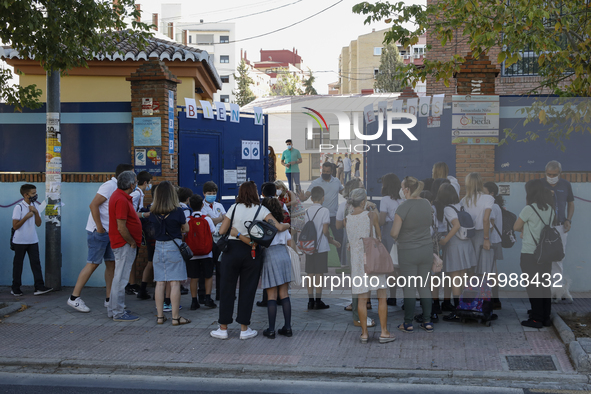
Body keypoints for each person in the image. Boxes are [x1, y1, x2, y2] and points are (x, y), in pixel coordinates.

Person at [210, 181, 289, 340]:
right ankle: (244, 329)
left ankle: (223, 328)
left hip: (231, 251)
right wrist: (287, 225)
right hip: (252, 252)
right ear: (255, 193)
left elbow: (222, 230)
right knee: (248, 289)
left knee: (227, 289)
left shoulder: (233, 208)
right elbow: (278, 228)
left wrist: (236, 230)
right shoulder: (262, 209)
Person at [68, 163, 133, 313]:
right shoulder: (109, 186)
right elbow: (93, 205)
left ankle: (109, 299)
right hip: (99, 232)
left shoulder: (119, 188)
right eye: (132, 175)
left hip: (110, 232)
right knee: (93, 263)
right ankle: (74, 297)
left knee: (111, 264)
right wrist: (99, 227)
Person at [346, 188, 395, 344]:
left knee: (361, 299)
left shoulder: (348, 218)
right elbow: (378, 237)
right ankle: (384, 332)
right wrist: (372, 207)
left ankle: (364, 333)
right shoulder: (371, 215)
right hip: (373, 261)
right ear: (363, 202)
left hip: (358, 262)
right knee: (381, 297)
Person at [391, 176, 434, 333]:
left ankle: (408, 323)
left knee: (409, 288)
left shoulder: (403, 207)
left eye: (402, 188)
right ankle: (427, 321)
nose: (401, 191)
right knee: (424, 287)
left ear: (407, 189)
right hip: (426, 249)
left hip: (408, 250)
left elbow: (394, 233)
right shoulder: (426, 204)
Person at [514, 179, 555, 328]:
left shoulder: (529, 209)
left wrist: (524, 228)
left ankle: (536, 319)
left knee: (533, 286)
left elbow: (516, 226)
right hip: (546, 254)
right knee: (544, 286)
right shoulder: (550, 209)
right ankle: (545, 317)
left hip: (530, 253)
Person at [149, 181, 191, 326]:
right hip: (174, 247)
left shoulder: (153, 211)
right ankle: (175, 317)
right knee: (174, 283)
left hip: (158, 248)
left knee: (160, 283)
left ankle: (160, 317)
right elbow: (186, 229)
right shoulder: (178, 211)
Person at [336, 178, 377, 324]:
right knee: (364, 279)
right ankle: (361, 313)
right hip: (364, 248)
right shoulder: (367, 211)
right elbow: (373, 231)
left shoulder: (344, 208)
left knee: (357, 280)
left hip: (352, 247)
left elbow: (339, 225)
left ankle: (357, 311)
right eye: (361, 187)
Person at [436, 184, 477, 322]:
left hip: (454, 245)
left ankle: (458, 310)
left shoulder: (448, 209)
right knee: (462, 277)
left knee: (455, 278)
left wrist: (445, 240)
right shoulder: (461, 205)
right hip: (466, 244)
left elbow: (456, 225)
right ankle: (464, 308)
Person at [107, 171, 143, 322]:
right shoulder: (121, 199)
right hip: (124, 244)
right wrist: (132, 241)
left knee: (118, 277)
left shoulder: (119, 196)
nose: (136, 184)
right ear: (131, 184)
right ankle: (118, 312)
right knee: (121, 279)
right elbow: (121, 226)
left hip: (122, 243)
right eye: (135, 181)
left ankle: (114, 308)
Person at [260, 197, 293, 339]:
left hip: (269, 256)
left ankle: (271, 329)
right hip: (283, 255)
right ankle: (287, 327)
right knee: (284, 294)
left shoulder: (261, 226)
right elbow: (291, 244)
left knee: (271, 295)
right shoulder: (282, 225)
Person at [11, 184, 52, 297]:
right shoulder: (18, 207)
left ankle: (39, 286)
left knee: (36, 263)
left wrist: (35, 212)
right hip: (19, 241)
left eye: (35, 193)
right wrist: (26, 217)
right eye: (33, 193)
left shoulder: (35, 206)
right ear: (26, 195)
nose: (35, 195)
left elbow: (38, 224)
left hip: (32, 240)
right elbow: (15, 226)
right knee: (18, 265)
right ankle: (15, 288)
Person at [299, 162, 345, 264]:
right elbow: (307, 195)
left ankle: (342, 262)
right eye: (323, 171)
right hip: (320, 217)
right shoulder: (315, 182)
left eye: (327, 172)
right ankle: (315, 261)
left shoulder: (336, 181)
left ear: (331, 172)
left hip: (334, 216)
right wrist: (302, 198)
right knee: (317, 238)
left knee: (340, 238)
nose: (325, 173)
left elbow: (344, 192)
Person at [304, 186, 341, 310]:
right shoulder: (324, 211)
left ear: (311, 197)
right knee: (319, 274)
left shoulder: (307, 211)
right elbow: (325, 231)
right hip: (321, 247)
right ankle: (318, 301)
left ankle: (310, 301)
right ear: (323, 198)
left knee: (310, 273)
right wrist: (333, 241)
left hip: (309, 246)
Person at [542, 160, 574, 303]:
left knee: (558, 258)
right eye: (549, 174)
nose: (551, 176)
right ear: (545, 173)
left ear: (560, 173)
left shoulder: (566, 185)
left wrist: (568, 219)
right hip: (544, 227)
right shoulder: (540, 184)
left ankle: (557, 290)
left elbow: (570, 203)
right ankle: (544, 290)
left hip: (560, 226)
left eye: (554, 174)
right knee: (543, 257)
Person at [461, 173, 495, 279]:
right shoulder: (488, 198)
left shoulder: (463, 201)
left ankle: (471, 293)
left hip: (468, 236)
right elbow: (486, 219)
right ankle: (484, 294)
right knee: (484, 269)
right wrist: (486, 238)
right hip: (482, 234)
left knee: (470, 269)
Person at [187, 194, 217, 310]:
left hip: (192, 254)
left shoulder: (187, 220)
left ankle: (194, 301)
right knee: (208, 276)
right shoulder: (207, 219)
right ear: (202, 205)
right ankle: (208, 298)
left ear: (190, 205)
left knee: (194, 278)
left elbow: (185, 234)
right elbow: (213, 232)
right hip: (207, 253)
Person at [125, 170, 152, 296]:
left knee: (134, 256)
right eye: (149, 183)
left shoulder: (139, 194)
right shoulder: (136, 194)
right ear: (145, 182)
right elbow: (130, 212)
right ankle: (130, 284)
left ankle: (132, 283)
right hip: (132, 229)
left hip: (136, 228)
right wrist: (144, 215)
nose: (149, 186)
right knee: (131, 257)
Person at [378, 173, 402, 306]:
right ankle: (406, 295)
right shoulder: (403, 199)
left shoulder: (385, 199)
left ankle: (392, 296)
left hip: (388, 231)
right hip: (402, 230)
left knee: (390, 265)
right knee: (403, 265)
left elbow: (381, 220)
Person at [201, 181, 226, 301]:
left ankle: (220, 294)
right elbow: (208, 222)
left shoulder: (219, 205)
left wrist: (218, 219)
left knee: (221, 268)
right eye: (209, 193)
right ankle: (204, 295)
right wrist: (219, 219)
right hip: (207, 240)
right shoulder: (201, 207)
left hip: (220, 240)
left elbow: (225, 220)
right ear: (204, 193)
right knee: (207, 269)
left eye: (214, 193)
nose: (212, 195)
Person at [483, 181, 504, 310]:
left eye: (484, 193)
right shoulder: (496, 206)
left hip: (491, 242)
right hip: (495, 242)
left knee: (490, 272)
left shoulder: (493, 207)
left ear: (492, 194)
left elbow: (489, 226)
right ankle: (495, 299)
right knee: (493, 270)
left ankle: (493, 299)